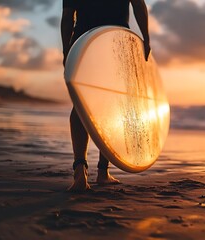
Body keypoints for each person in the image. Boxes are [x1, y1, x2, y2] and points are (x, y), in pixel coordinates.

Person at [61, 0, 151, 191]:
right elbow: (138, 5)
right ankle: (103, 172)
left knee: (81, 103)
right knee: (113, 104)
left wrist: (66, 51)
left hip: (83, 41)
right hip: (115, 40)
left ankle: (80, 171)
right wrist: (146, 38)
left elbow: (67, 16)